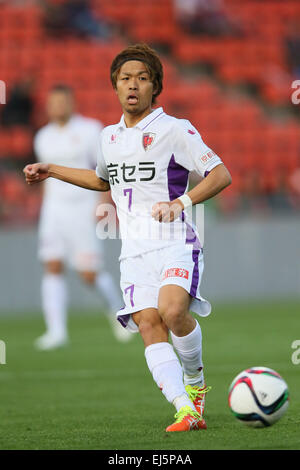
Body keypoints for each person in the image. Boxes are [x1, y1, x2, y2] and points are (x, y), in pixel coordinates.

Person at [24, 44, 231, 431]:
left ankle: (196, 383)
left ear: (155, 87)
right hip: (133, 251)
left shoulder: (175, 129)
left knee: (173, 313)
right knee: (149, 324)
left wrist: (181, 201)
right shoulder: (109, 137)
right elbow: (102, 180)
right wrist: (52, 170)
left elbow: (221, 174)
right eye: (125, 79)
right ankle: (184, 407)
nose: (133, 85)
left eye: (142, 78)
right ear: (115, 87)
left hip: (173, 241)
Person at [32, 84, 131, 350]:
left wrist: (102, 203)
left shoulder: (90, 130)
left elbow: (105, 171)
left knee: (89, 273)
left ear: (72, 103)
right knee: (52, 265)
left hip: (82, 208)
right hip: (53, 210)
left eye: (63, 101)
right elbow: (44, 178)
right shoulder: (42, 137)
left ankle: (118, 313)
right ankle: (56, 332)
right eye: (53, 102)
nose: (58, 107)